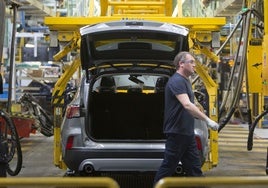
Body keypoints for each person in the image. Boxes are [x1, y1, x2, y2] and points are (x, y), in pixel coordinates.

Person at [153, 51, 219, 185]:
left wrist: (199, 110)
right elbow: (187, 105)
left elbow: (190, 105)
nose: (195, 65)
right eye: (192, 62)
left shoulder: (185, 81)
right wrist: (207, 120)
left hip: (186, 132)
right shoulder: (177, 81)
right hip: (177, 132)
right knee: (168, 167)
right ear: (181, 64)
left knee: (194, 169)